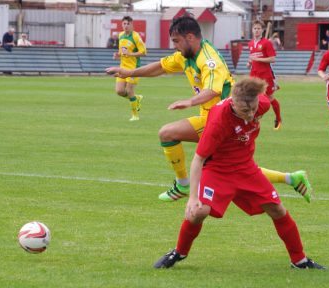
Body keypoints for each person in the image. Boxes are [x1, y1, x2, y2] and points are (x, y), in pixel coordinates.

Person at [106, 16, 312, 203]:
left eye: (177, 41)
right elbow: (160, 66)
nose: (175, 47)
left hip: (225, 120)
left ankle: (184, 186)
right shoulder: (185, 56)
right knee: (236, 168)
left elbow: (212, 91)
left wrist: (190, 101)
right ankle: (291, 177)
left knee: (173, 137)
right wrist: (128, 72)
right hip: (211, 116)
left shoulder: (209, 60)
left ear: (190, 37)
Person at [153, 77, 325, 270]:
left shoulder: (261, 104)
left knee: (277, 210)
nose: (251, 114)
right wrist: (192, 198)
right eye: (245, 111)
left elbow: (267, 99)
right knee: (198, 212)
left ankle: (300, 261)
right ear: (233, 102)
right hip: (218, 170)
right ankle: (179, 252)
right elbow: (198, 160)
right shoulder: (219, 121)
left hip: (246, 168)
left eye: (254, 109)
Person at [247, 20, 282, 130]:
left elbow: (273, 59)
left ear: (262, 30)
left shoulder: (267, 43)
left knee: (269, 98)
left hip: (265, 75)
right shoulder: (251, 43)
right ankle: (254, 120)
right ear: (252, 30)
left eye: (258, 28)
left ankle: (278, 118)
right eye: (255, 28)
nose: (256, 30)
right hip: (254, 74)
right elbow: (252, 58)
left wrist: (257, 59)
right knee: (252, 98)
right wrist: (250, 63)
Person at [112, 16, 146, 121]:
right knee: (119, 91)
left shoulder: (136, 37)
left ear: (132, 25)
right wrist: (118, 55)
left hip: (133, 68)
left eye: (128, 24)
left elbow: (143, 52)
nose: (126, 26)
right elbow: (122, 51)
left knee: (129, 90)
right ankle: (136, 98)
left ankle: (135, 115)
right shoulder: (121, 35)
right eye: (124, 24)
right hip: (123, 67)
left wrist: (130, 54)